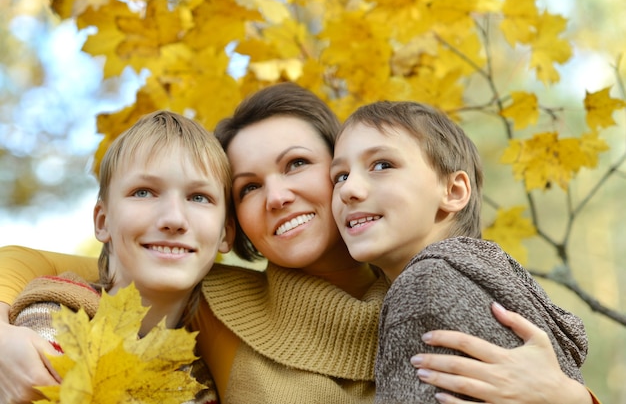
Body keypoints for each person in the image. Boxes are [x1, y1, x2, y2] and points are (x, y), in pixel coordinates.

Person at [0, 83, 599, 404]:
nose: (278, 195)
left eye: (298, 165)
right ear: (238, 229)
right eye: (250, 187)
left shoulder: (442, 294)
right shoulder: (215, 299)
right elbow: (30, 264)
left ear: (344, 175)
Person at [330, 100, 589, 404]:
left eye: (382, 165)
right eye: (340, 176)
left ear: (453, 192)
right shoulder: (488, 277)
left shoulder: (425, 284)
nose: (348, 189)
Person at [8, 110, 235, 404]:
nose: (174, 218)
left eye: (199, 197)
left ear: (226, 233)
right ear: (103, 222)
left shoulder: (200, 384)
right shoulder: (55, 321)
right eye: (144, 192)